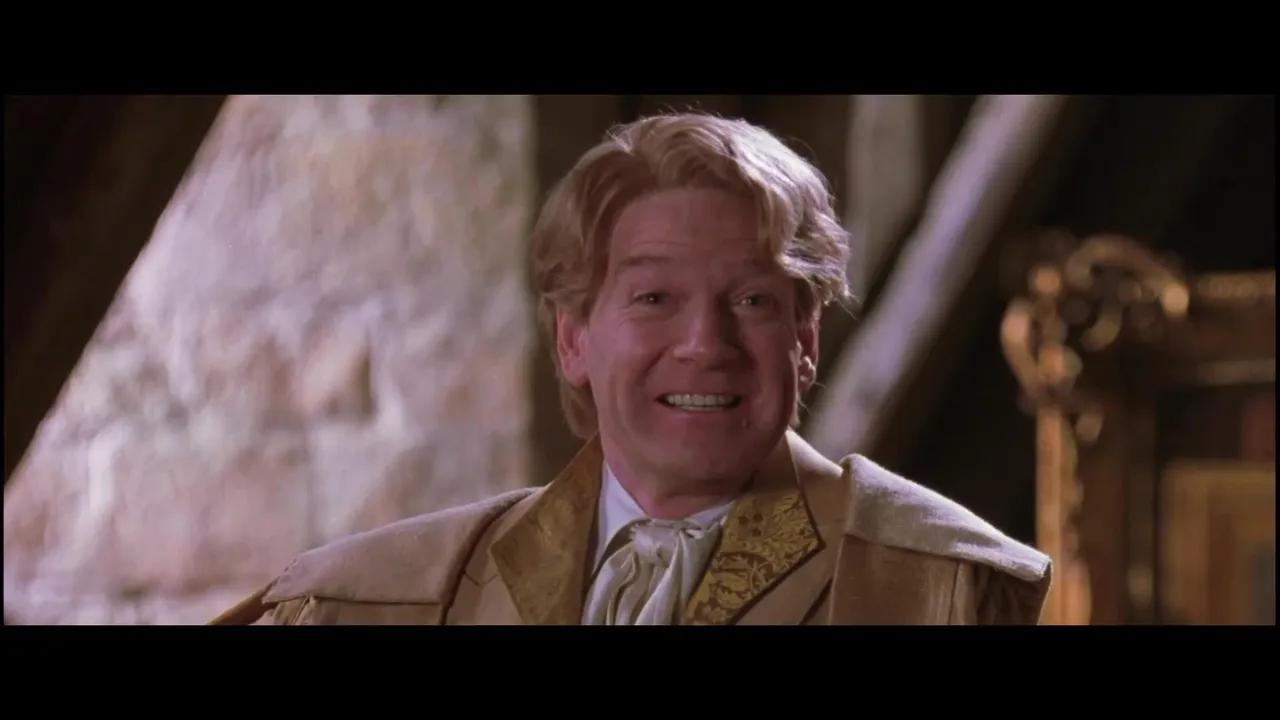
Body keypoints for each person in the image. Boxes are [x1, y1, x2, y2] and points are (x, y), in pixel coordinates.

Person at [211, 112, 1051, 626]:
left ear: (806, 340)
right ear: (573, 339)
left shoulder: (946, 593)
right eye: (654, 299)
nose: (705, 343)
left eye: (752, 300)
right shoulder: (373, 600)